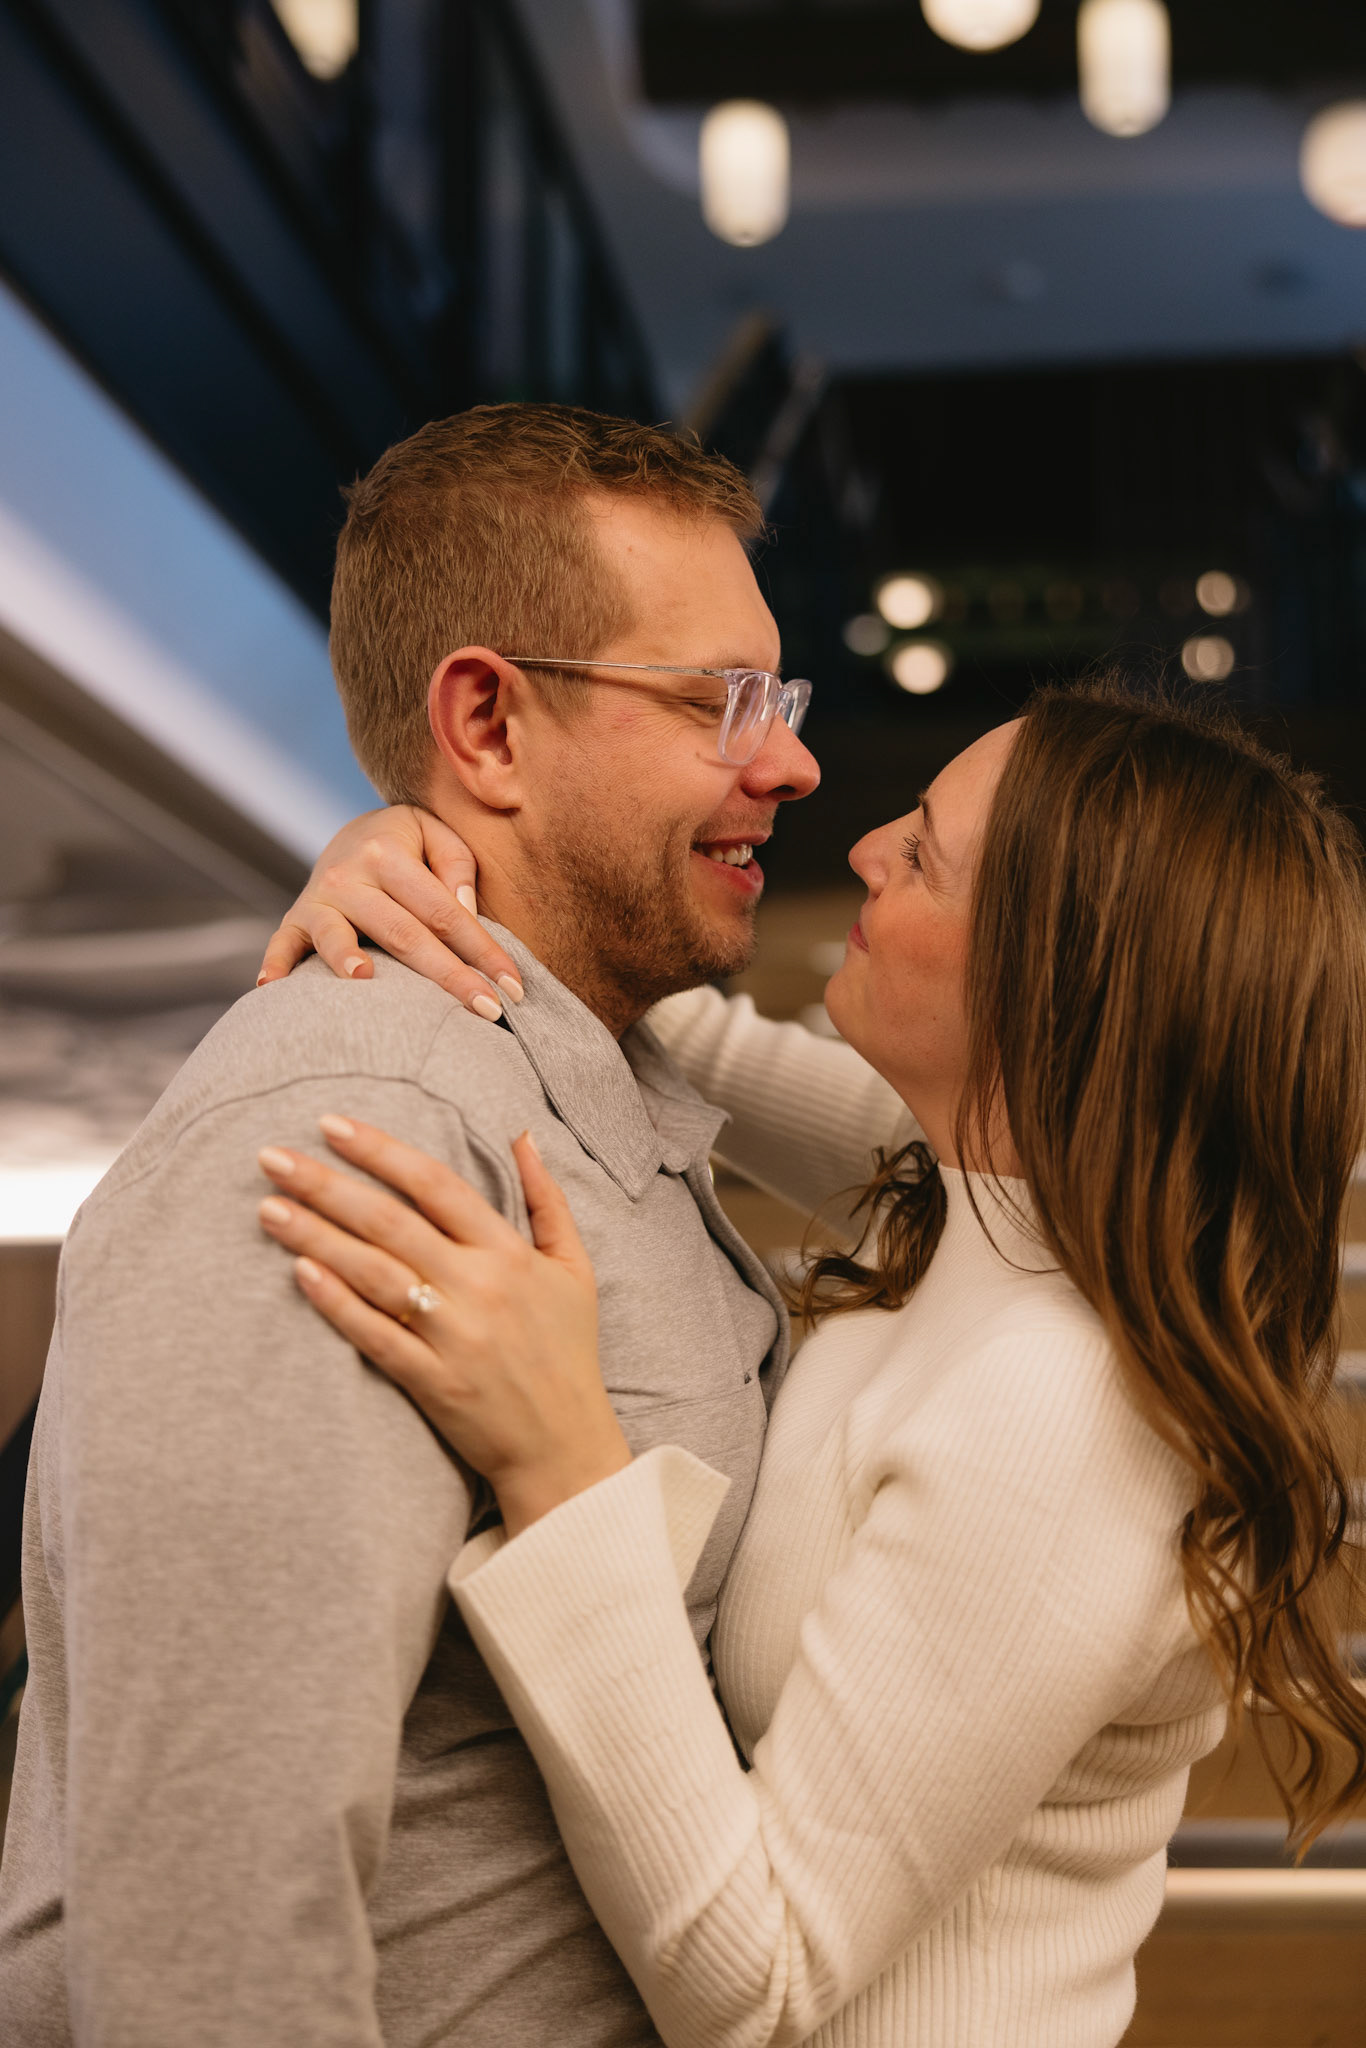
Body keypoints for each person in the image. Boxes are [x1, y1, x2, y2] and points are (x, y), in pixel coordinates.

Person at [253, 680, 1366, 2048]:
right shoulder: (987, 1196)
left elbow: (759, 1978)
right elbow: (655, 1034)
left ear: (1048, 984)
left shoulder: (1061, 1411)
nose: (864, 847)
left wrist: (558, 1455)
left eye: (924, 854)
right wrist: (418, 865)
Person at [0, 403, 823, 2046]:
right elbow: (212, 1909)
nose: (789, 760)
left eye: (778, 700)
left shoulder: (580, 1078)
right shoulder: (350, 1127)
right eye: (714, 700)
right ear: (488, 726)